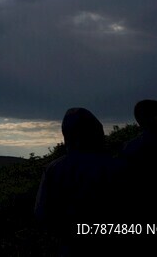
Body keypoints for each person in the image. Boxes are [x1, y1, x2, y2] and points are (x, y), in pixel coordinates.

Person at [35, 108, 121, 253]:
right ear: (97, 132)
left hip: (70, 246)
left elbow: (42, 213)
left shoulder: (54, 169)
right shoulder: (115, 165)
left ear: (66, 135)